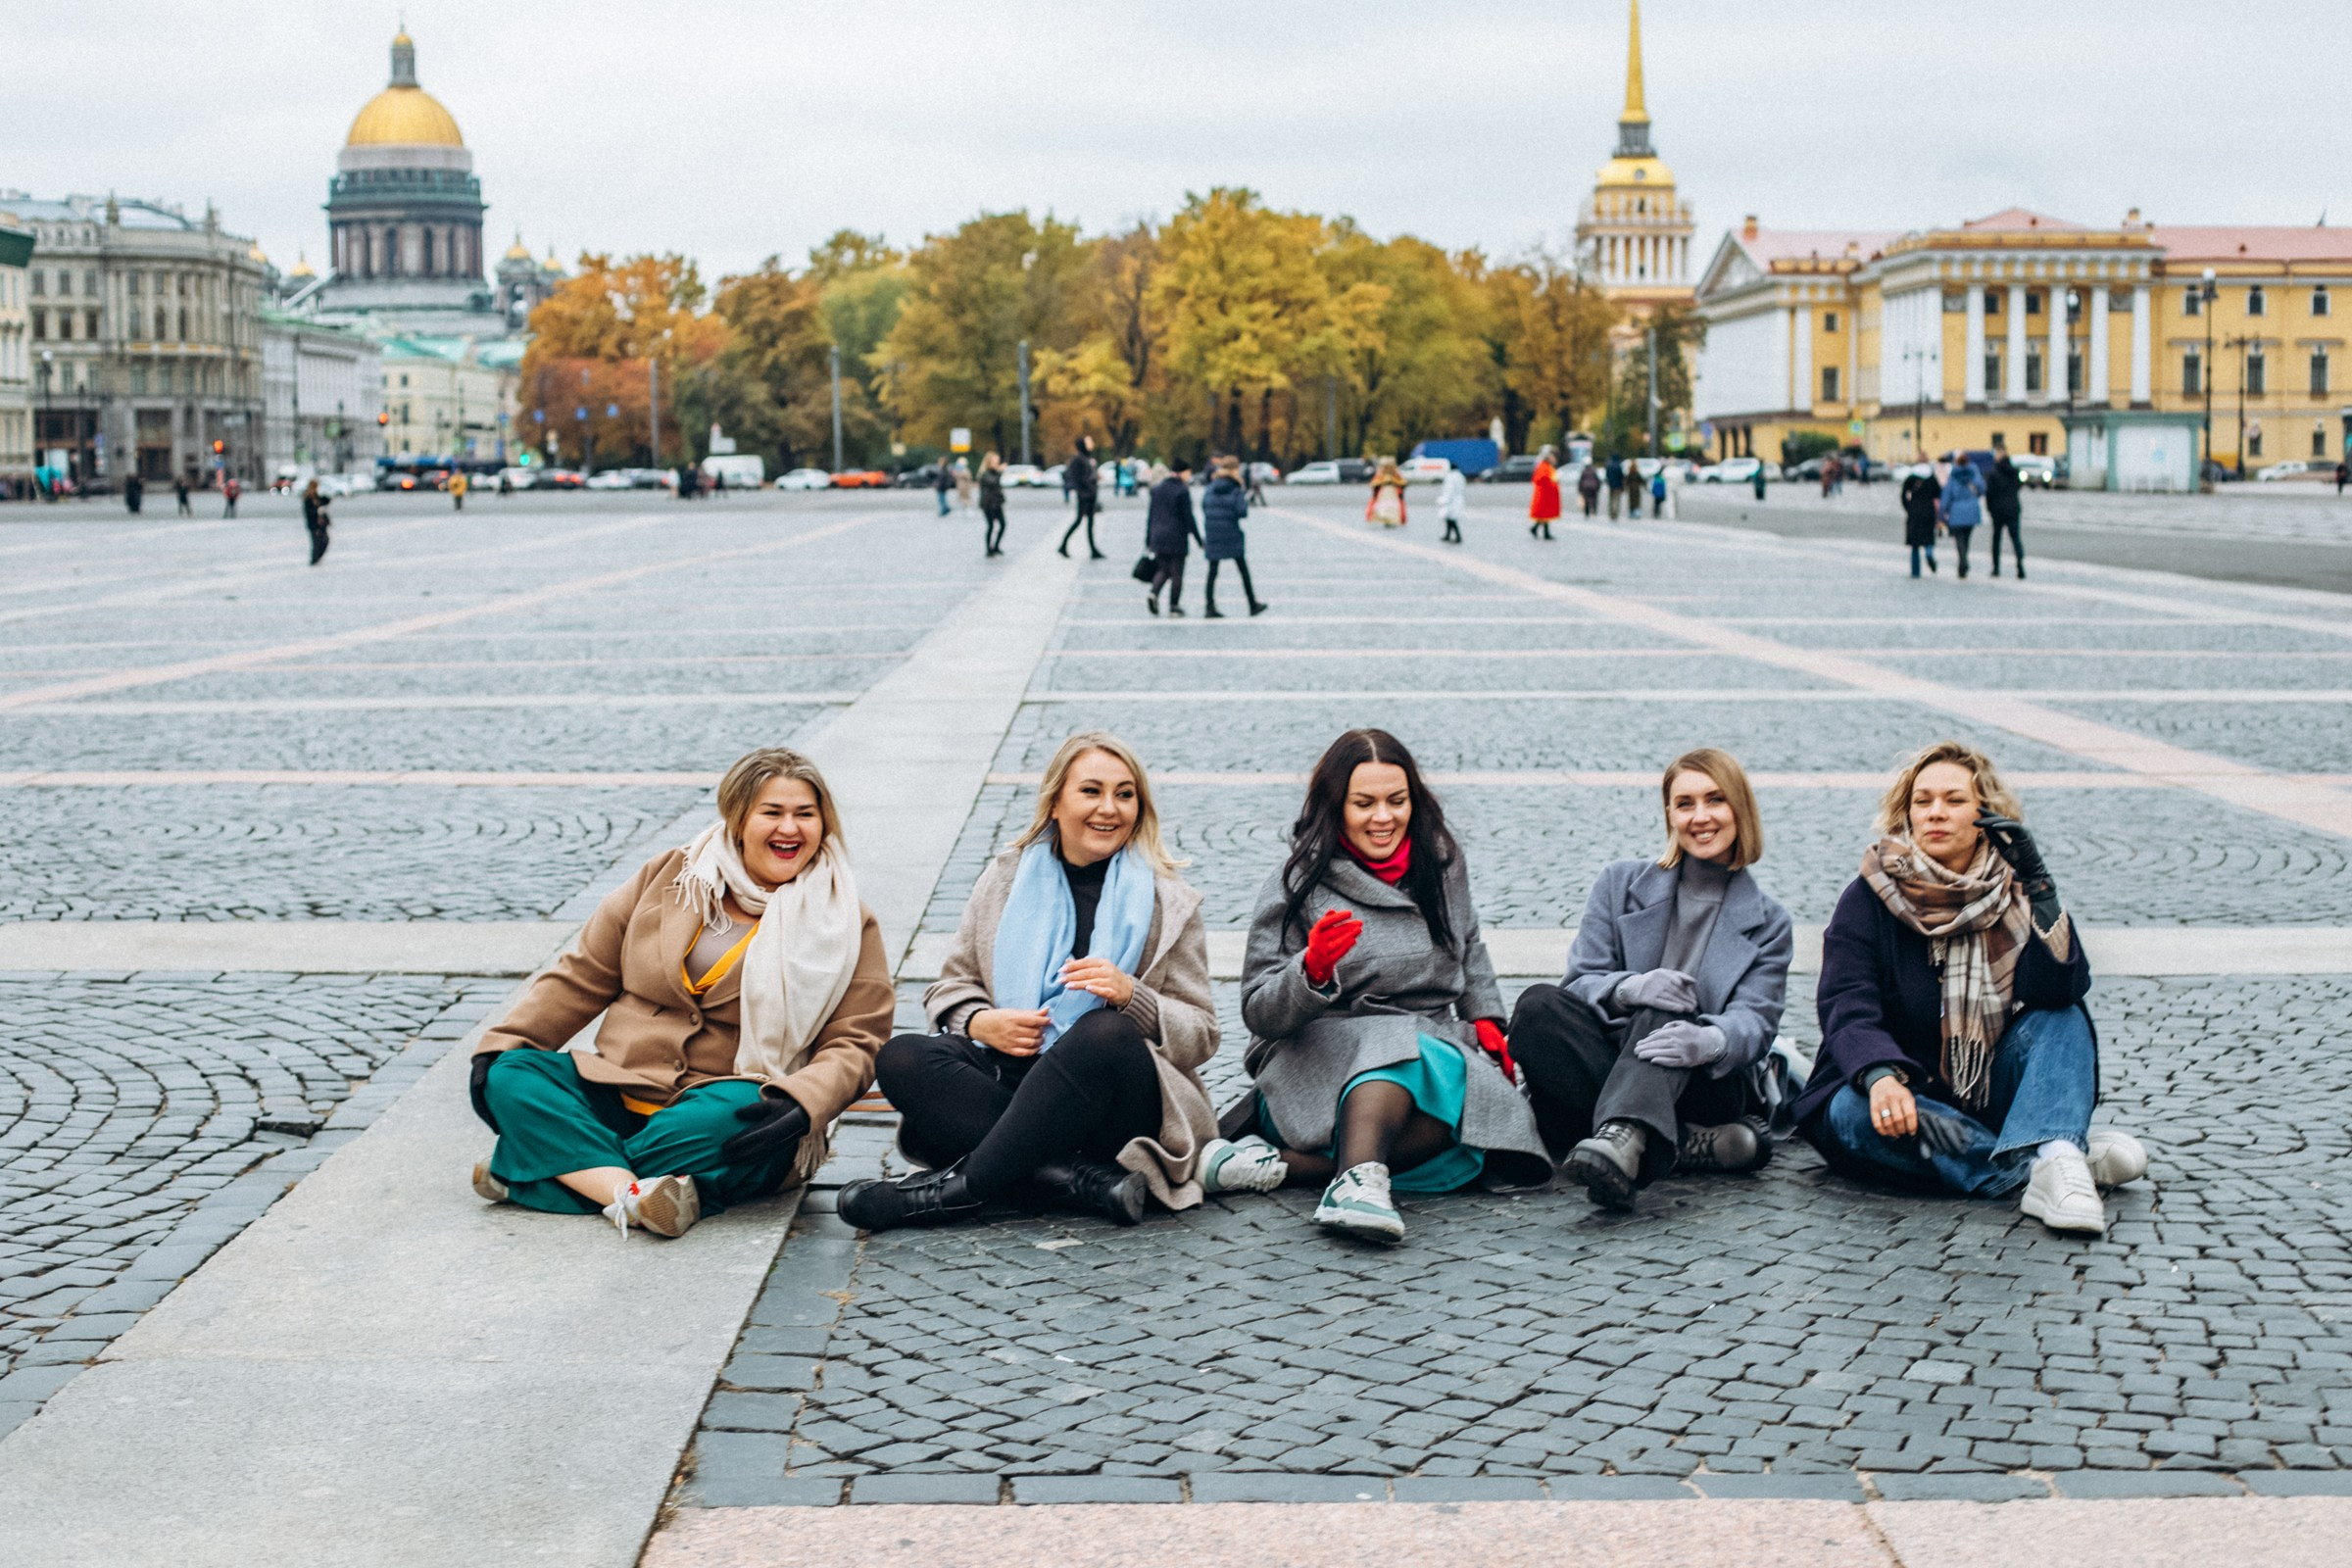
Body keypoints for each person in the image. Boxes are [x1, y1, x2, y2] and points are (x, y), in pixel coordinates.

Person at [467, 748, 895, 1237]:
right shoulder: (669, 877)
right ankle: (630, 1195)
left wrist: (802, 1101)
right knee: (513, 1074)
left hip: (729, 1102)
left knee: (732, 1126)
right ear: (737, 819)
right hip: (617, 1088)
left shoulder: (844, 920)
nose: (790, 829)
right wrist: (505, 1043)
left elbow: (858, 1041)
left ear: (825, 823)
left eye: (805, 814)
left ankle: (541, 1167)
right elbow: (583, 974)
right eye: (771, 813)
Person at [841, 733, 1222, 1230]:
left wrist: (1134, 997)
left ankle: (956, 1192)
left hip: (1116, 1103)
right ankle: (1071, 1177)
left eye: (1125, 794)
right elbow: (951, 987)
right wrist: (980, 1022)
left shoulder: (1167, 902)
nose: (1109, 809)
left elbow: (1203, 1033)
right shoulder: (1004, 880)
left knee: (1101, 1033)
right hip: (1015, 1078)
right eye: (1091, 791)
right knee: (902, 1056)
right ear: (1055, 801)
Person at [1796, 741, 2147, 1235]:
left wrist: (2041, 888)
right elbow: (1846, 1004)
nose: (1936, 813)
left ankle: (2053, 1153)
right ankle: (2053, 1161)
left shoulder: (2012, 889)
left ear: (1985, 812)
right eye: (1923, 801)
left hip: (1985, 1095)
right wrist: (1879, 1075)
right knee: (1852, 1114)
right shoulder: (1869, 894)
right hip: (1896, 1092)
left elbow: (2058, 989)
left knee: (2062, 1016)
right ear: (1907, 812)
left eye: (1954, 800)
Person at [1235, 729, 1549, 1244]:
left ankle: (1286, 1168)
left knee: (1464, 1124)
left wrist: (1486, 1017)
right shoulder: (1296, 884)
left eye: (1396, 800)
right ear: (1335, 807)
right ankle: (1356, 1181)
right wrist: (1310, 971)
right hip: (1318, 1059)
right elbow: (1258, 1011)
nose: (1383, 817)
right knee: (1395, 1046)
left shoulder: (1442, 862)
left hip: (1431, 1045)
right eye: (1365, 803)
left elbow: (1467, 940)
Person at [1508, 749, 1793, 1211]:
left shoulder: (1769, 922)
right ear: (1669, 815)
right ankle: (1671, 1142)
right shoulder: (1619, 883)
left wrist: (1710, 1040)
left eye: (1715, 800)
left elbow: (1756, 1021)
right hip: (1606, 1055)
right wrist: (1629, 989)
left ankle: (1625, 1137)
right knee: (1537, 1007)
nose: (1700, 817)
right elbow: (1579, 982)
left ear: (1739, 808)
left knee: (1672, 1003)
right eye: (1685, 804)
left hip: (1703, 1078)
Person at [1200, 455, 1268, 618]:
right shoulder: (1235, 488)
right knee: (1243, 570)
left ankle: (1209, 606)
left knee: (1212, 571)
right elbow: (1242, 512)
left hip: (1213, 531)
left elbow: (1204, 506)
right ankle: (1252, 604)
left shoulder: (1210, 487)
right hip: (1231, 532)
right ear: (1234, 470)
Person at [1144, 459, 1202, 615]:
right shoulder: (1182, 490)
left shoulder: (1157, 489)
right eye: (1188, 473)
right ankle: (1173, 606)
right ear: (1183, 472)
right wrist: (1198, 539)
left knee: (1163, 569)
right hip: (1176, 537)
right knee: (1177, 573)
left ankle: (1154, 593)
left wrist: (1148, 539)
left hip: (1158, 536)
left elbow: (1151, 516)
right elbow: (1188, 518)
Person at [1939, 454, 1985, 578]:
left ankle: (1962, 561)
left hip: (1957, 512)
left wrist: (1942, 514)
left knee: (1959, 540)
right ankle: (1964, 561)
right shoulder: (1973, 474)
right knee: (1966, 539)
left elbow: (1946, 496)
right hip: (1971, 511)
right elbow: (1982, 488)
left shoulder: (1953, 476)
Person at [1058, 436, 1103, 559]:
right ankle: (1063, 545)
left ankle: (1093, 549)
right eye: (1089, 442)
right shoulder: (1078, 459)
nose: (1092, 443)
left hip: (1090, 494)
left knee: (1089, 523)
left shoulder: (1087, 458)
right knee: (1078, 521)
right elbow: (1077, 477)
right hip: (1085, 495)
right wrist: (1088, 486)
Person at [1985, 440, 2025, 578]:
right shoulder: (2014, 471)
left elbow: (1989, 493)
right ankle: (2020, 564)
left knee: (1997, 540)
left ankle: (1996, 568)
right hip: (2013, 508)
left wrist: (1990, 508)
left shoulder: (1994, 472)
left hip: (1998, 510)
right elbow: (2019, 486)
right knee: (2015, 538)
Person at [1901, 461, 1941, 577]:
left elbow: (1903, 495)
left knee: (1915, 544)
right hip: (1929, 511)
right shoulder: (1931, 477)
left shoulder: (1911, 477)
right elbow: (1938, 494)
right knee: (1929, 538)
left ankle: (1915, 571)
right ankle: (1929, 554)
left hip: (1914, 511)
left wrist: (1908, 507)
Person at [977, 450, 1008, 557]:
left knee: (1003, 524)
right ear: (989, 462)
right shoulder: (984, 474)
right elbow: (993, 482)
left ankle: (995, 546)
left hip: (997, 503)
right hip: (988, 504)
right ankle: (988, 549)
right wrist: (1000, 472)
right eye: (995, 461)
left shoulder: (994, 472)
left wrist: (999, 472)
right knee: (990, 526)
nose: (997, 464)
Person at [1529, 446, 1562, 540]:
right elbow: (1541, 479)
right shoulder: (1543, 467)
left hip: (1547, 495)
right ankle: (1543, 532)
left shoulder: (1547, 467)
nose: (1554, 458)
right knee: (1544, 514)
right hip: (1544, 495)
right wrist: (1552, 484)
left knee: (1545, 515)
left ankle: (1537, 529)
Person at [1366, 457, 1407, 527]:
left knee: (1393, 512)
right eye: (1386, 467)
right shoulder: (1379, 476)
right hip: (1381, 499)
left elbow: (1404, 483)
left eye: (1389, 467)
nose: (1388, 469)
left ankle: (1393, 522)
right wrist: (1383, 481)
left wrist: (1393, 481)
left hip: (1395, 499)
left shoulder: (1396, 475)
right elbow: (1372, 484)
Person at [301, 478, 332, 566]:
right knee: (316, 542)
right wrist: (317, 510)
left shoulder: (317, 497)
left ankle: (317, 558)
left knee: (325, 541)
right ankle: (314, 560)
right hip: (314, 524)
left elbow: (326, 500)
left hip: (322, 524)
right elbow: (309, 512)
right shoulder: (308, 499)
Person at [1436, 462, 1467, 544]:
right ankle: (1449, 535)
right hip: (1457, 500)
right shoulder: (1460, 476)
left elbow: (1449, 490)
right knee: (1449, 519)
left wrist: (1444, 499)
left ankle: (1457, 536)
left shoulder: (1451, 477)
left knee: (1451, 519)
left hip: (1451, 501)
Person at [1604, 454, 1626, 519]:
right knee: (1616, 499)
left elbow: (1607, 475)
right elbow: (1621, 476)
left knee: (1611, 499)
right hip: (1618, 485)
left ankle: (1611, 513)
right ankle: (1615, 513)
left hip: (1611, 485)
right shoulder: (1619, 466)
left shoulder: (1609, 466)